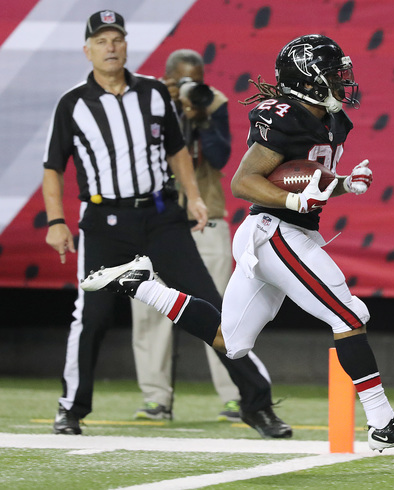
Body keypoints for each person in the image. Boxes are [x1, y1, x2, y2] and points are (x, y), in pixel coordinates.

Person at [81, 34, 394, 452]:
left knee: (231, 343)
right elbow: (243, 182)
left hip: (286, 231)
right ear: (307, 79)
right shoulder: (285, 116)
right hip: (275, 232)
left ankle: (139, 284)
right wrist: (294, 201)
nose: (341, 81)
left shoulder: (332, 119)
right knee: (348, 314)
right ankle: (382, 423)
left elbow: (310, 179)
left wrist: (345, 183)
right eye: (332, 73)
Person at [43, 10, 291, 438]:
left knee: (211, 305)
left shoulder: (155, 92)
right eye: (101, 41)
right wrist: (56, 220)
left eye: (116, 39)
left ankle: (257, 405)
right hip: (103, 221)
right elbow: (53, 166)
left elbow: (177, 150)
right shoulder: (73, 103)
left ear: (126, 45)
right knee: (92, 316)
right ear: (87, 50)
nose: (110, 47)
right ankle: (71, 408)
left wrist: (193, 196)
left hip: (160, 216)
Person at [130, 49, 263, 423]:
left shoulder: (213, 102)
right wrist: (169, 109)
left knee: (220, 311)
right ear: (167, 79)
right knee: (148, 312)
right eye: (182, 81)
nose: (191, 86)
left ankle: (235, 395)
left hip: (205, 221)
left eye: (197, 80)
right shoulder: (147, 102)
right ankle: (156, 398)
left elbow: (220, 158)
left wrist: (200, 118)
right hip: (155, 222)